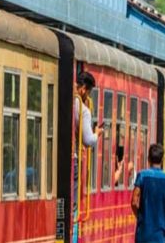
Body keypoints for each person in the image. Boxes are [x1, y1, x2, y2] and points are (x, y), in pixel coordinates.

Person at [72, 72, 103, 243]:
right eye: (89, 92)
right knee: (74, 207)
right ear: (84, 89)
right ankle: (73, 237)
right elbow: (87, 140)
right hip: (74, 159)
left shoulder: (68, 100)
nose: (88, 96)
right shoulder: (83, 109)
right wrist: (97, 133)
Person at [131, 144, 165, 243]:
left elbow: (134, 202)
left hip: (143, 233)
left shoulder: (142, 176)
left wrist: (140, 216)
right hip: (160, 232)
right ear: (162, 160)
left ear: (148, 158)